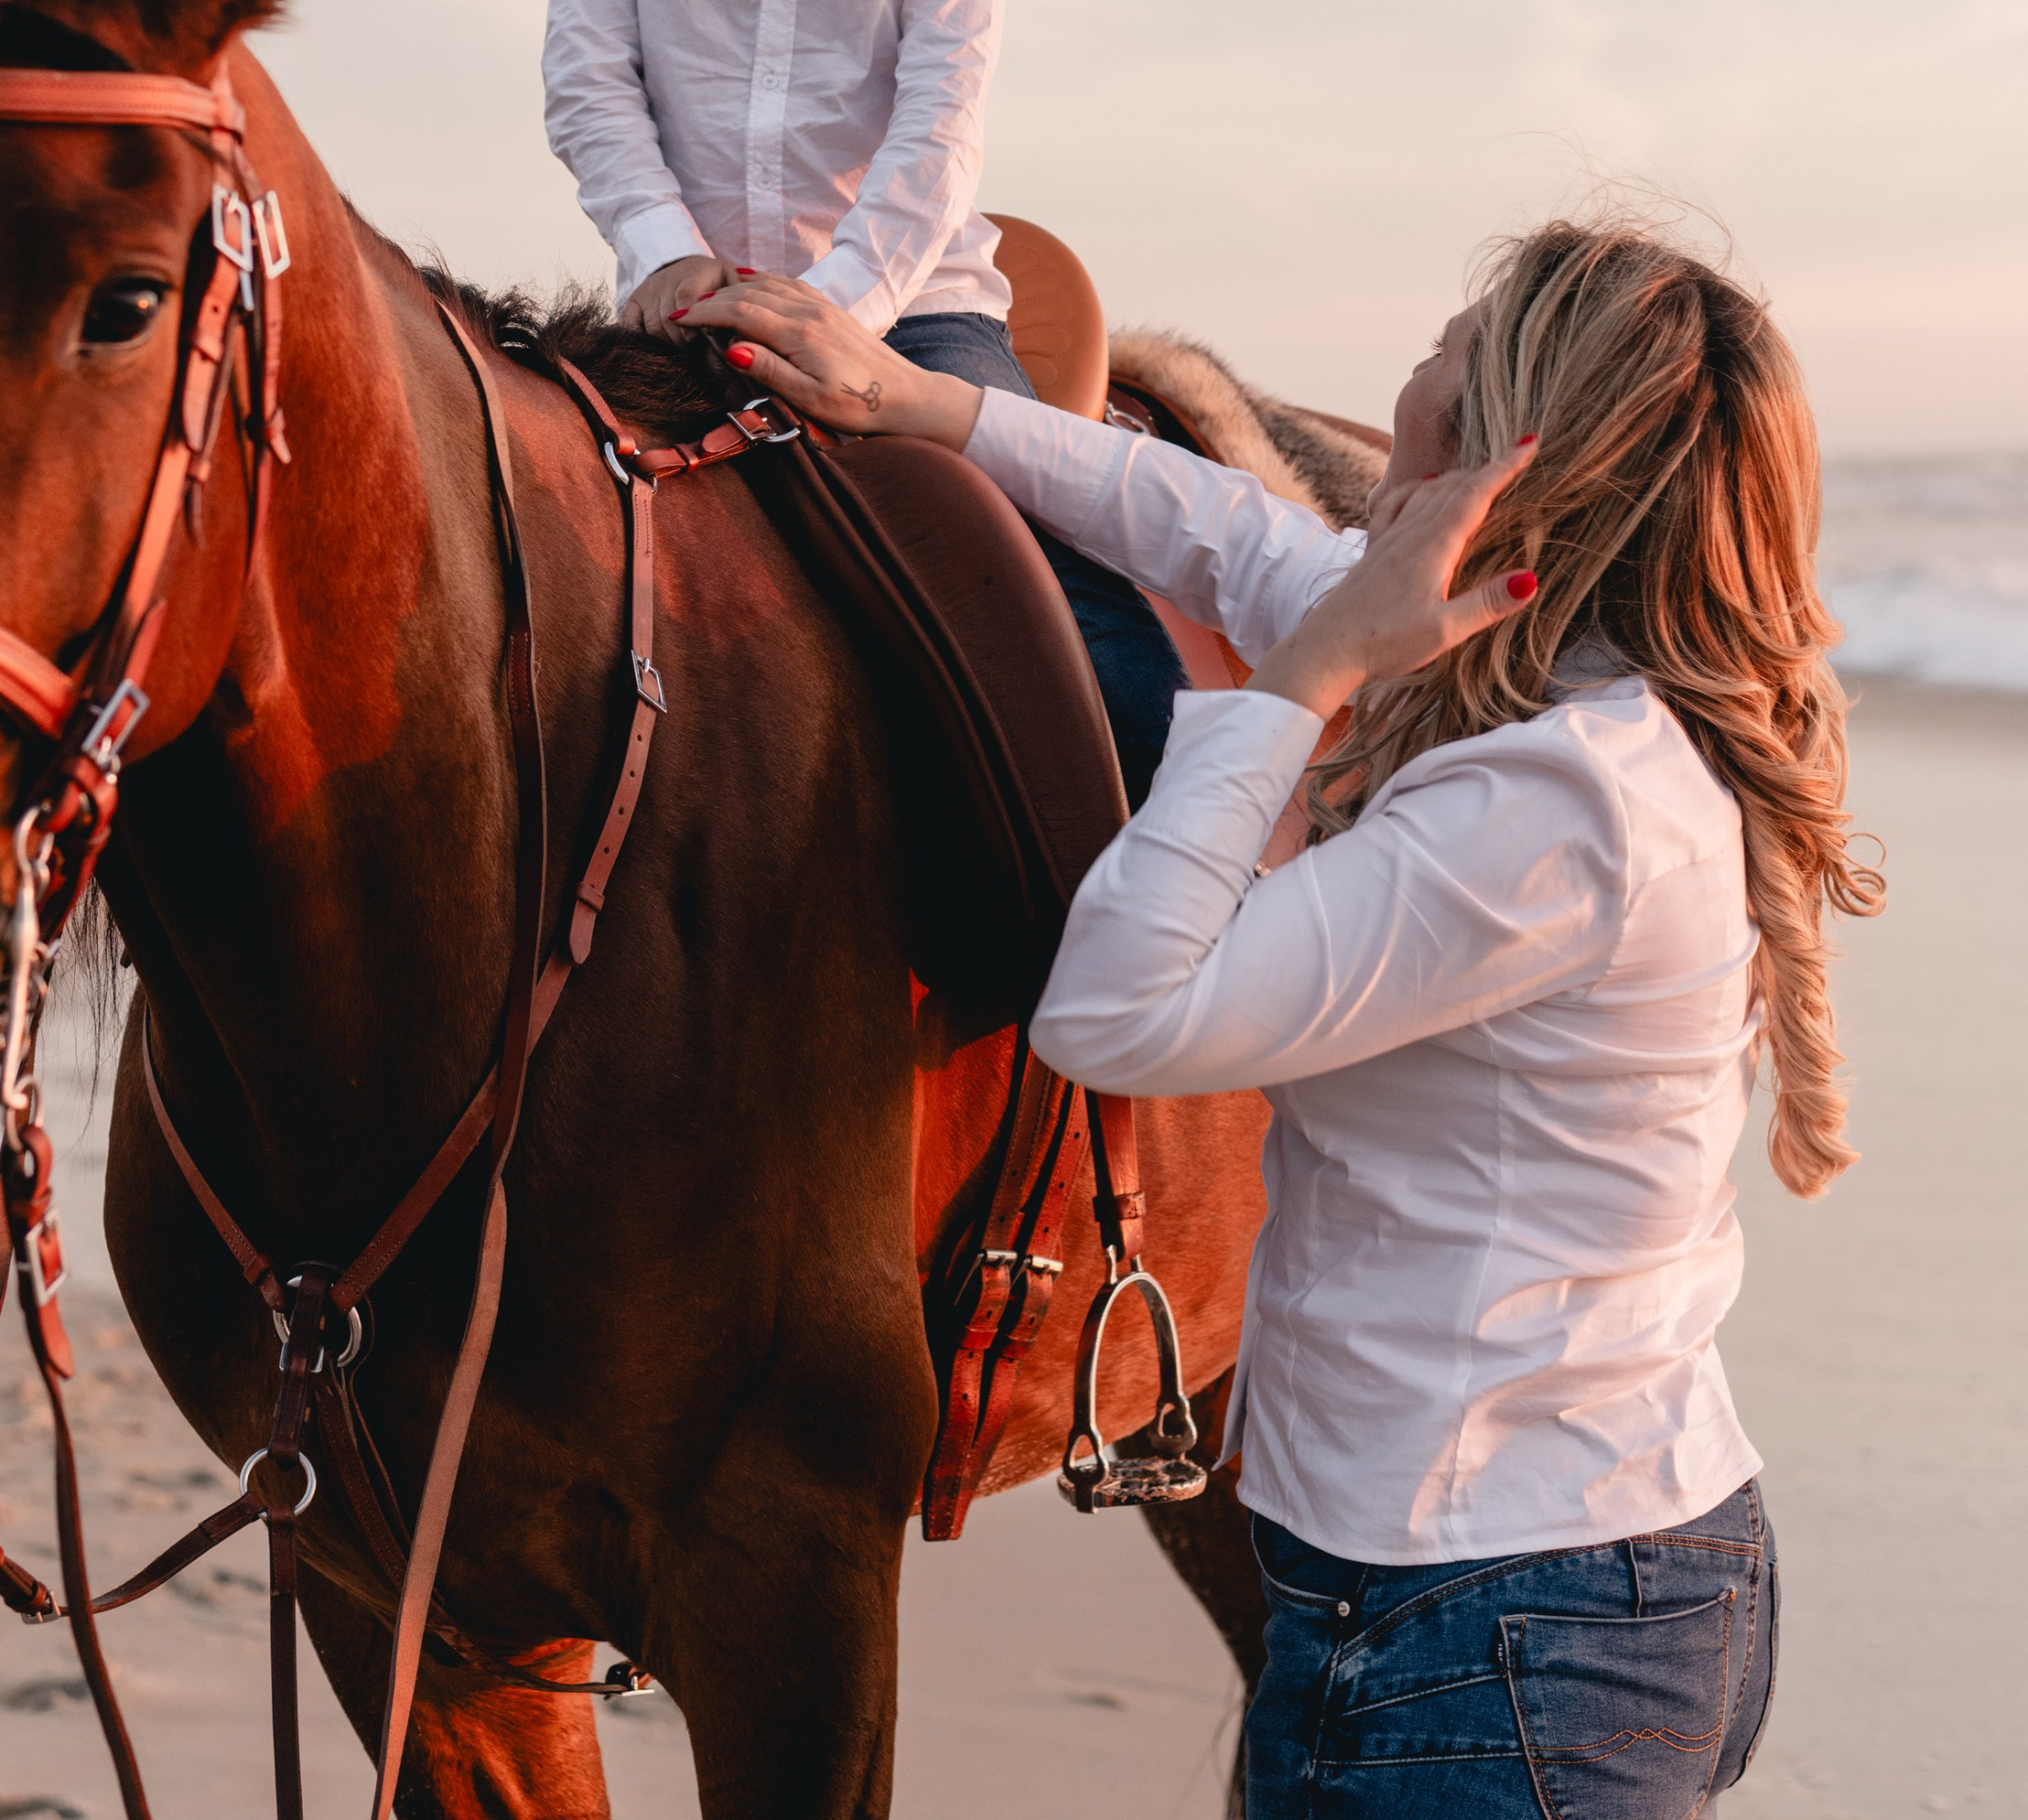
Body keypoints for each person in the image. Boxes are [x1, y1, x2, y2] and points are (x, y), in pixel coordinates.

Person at [687, 219, 1881, 1817]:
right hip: (1528, 1580)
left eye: (1456, 344)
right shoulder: (1544, 681)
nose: (1412, 367)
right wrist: (923, 404)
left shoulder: (1558, 808)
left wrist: (1299, 680)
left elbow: (1119, 1009)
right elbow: (1218, 529)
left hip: (1496, 1628)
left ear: (1506, 458)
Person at [542, 0, 1185, 792]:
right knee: (526, 544)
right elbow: (589, 80)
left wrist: (838, 318)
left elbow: (939, 128)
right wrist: (663, 252)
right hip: (686, 300)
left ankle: (1164, 859)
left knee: (1063, 582)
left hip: (906, 312)